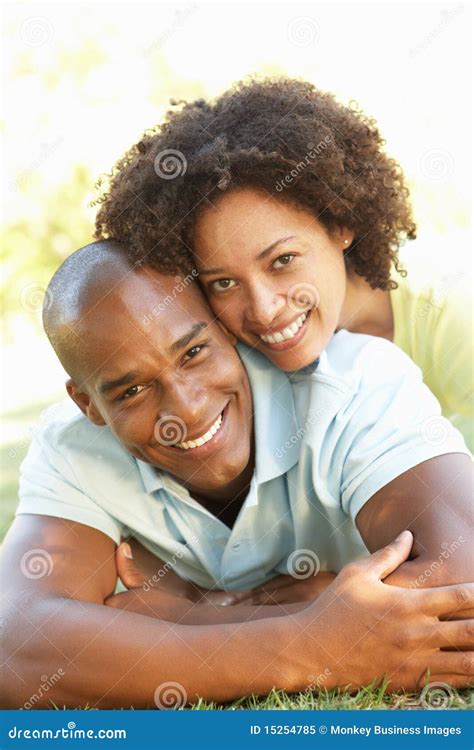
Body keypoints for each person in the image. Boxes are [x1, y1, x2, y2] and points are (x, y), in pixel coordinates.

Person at [2, 240, 473, 710]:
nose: (185, 408)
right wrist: (316, 642)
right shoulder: (72, 449)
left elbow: (464, 584)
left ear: (225, 328)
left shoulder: (352, 383)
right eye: (134, 390)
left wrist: (188, 615)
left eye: (193, 353)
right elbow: (16, 647)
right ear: (87, 403)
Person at [94, 78, 473, 451]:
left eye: (283, 260)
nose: (264, 309)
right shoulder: (223, 358)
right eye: (223, 282)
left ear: (340, 224)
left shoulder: (450, 310)